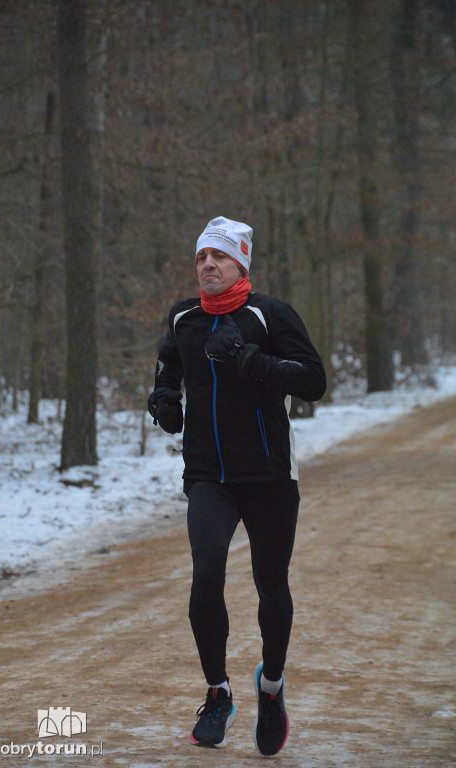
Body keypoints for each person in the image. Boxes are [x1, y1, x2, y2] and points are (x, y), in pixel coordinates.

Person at [148, 216, 326, 755]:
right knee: (206, 575)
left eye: (219, 256)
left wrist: (252, 360)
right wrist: (164, 399)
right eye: (202, 257)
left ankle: (270, 688)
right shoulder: (183, 318)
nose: (208, 265)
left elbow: (313, 380)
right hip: (209, 476)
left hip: (270, 475)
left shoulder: (269, 315)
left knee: (271, 584)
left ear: (240, 263)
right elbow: (168, 365)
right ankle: (218, 693)